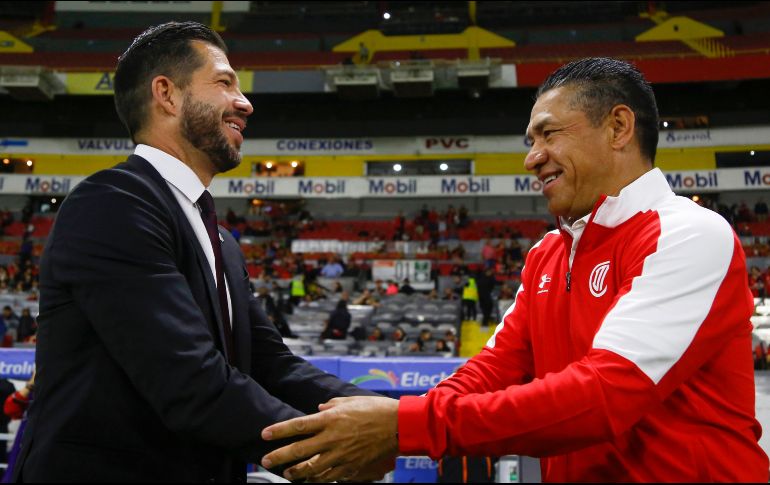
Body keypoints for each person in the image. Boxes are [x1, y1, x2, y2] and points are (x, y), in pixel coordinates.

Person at [258, 58, 769, 482]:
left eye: (547, 134)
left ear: (618, 127)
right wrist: (401, 429)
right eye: (530, 139)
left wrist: (409, 426)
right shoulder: (549, 251)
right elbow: (496, 366)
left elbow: (604, 396)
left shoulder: (690, 233)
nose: (531, 158)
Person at [14, 22, 375, 482]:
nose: (245, 103)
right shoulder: (113, 203)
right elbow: (191, 383)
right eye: (224, 83)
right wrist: (334, 451)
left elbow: (270, 366)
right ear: (167, 94)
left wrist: (405, 419)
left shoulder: (220, 240)